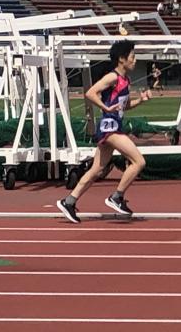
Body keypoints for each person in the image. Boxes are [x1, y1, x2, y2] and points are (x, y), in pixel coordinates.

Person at [57, 40, 152, 224]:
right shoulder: (112, 77)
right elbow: (90, 93)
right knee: (138, 161)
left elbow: (124, 106)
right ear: (122, 59)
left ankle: (69, 201)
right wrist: (105, 108)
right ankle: (117, 197)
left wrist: (140, 100)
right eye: (132, 57)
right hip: (110, 128)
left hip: (114, 126)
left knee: (97, 169)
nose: (135, 60)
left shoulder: (125, 80)